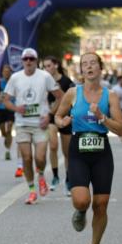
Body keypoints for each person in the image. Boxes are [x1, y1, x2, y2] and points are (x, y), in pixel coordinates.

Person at [53, 52, 122, 244]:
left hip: (102, 151)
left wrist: (102, 118)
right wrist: (62, 122)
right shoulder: (72, 93)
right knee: (82, 200)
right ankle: (80, 210)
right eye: (84, 64)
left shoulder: (110, 96)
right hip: (79, 151)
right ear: (81, 70)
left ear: (100, 68)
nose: (89, 66)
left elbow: (121, 129)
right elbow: (57, 116)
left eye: (93, 63)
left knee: (101, 204)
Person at [1, 48, 63, 205]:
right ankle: (31, 191)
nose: (28, 61)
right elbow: (6, 99)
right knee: (27, 158)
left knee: (40, 157)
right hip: (22, 125)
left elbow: (60, 97)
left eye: (31, 59)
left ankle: (41, 175)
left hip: (40, 125)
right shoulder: (15, 78)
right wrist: (16, 108)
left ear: (36, 61)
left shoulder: (44, 76)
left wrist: (49, 115)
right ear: (22, 61)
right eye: (26, 59)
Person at [43, 55, 73, 191]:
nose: (47, 68)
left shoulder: (67, 81)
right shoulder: (43, 81)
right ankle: (55, 176)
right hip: (51, 118)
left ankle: (68, 179)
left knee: (67, 152)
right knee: (53, 146)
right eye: (44, 66)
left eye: (49, 65)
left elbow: (73, 99)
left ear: (56, 65)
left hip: (65, 118)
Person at [0, 64, 16, 171]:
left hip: (11, 108)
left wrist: (11, 97)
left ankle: (7, 150)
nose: (6, 73)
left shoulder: (14, 83)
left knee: (9, 128)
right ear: (3, 73)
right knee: (3, 130)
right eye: (5, 71)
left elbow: (17, 94)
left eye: (8, 71)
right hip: (1, 108)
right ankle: (6, 138)